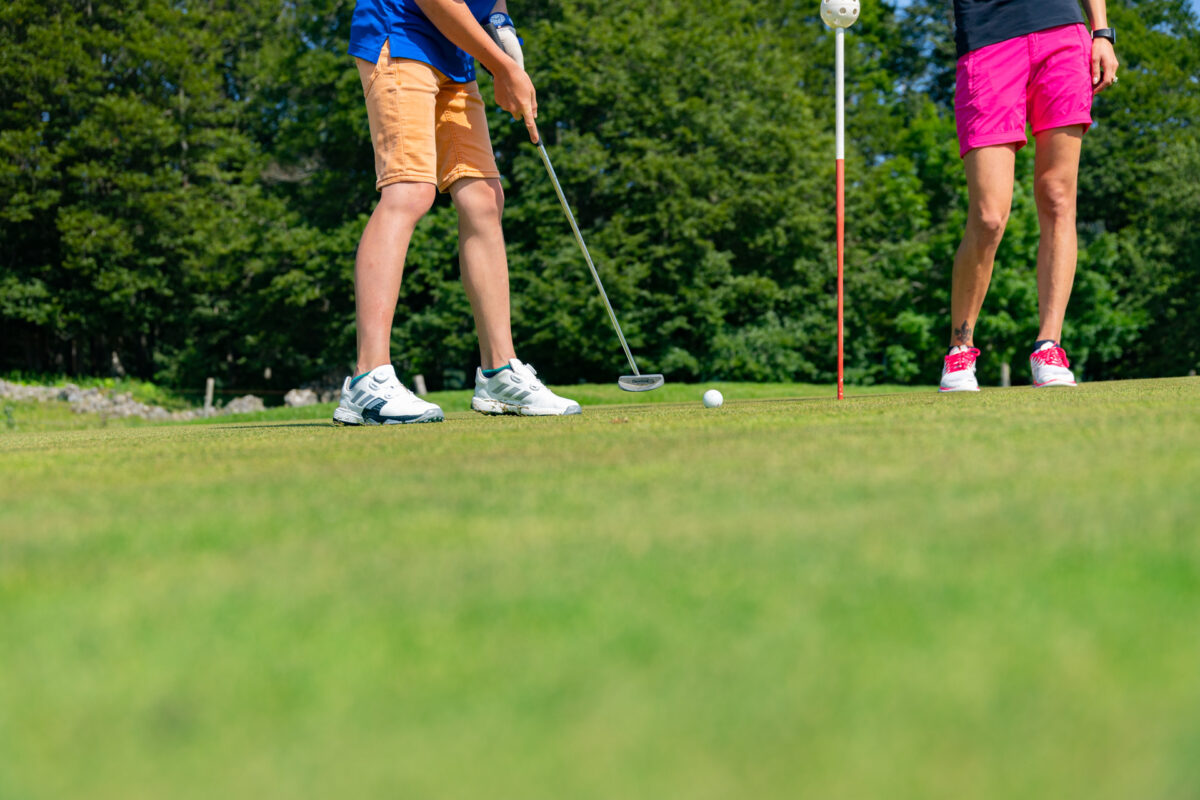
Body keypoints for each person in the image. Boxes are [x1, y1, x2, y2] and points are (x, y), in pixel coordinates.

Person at [333, 0, 580, 424]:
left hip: (456, 55)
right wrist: (502, 66)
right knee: (409, 189)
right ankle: (367, 378)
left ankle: (500, 373)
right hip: (402, 34)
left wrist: (500, 24)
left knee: (483, 199)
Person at [939, 0, 1119, 392]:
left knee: (1057, 196)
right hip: (987, 41)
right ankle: (960, 348)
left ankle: (1048, 345)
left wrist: (1102, 31)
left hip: (1062, 35)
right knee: (988, 215)